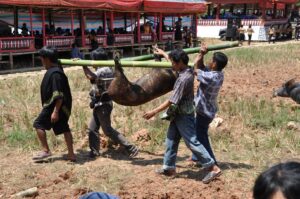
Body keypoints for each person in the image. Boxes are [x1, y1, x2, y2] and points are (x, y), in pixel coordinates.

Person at [143, 47, 221, 184]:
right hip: (178, 112)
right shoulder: (186, 70)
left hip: (184, 114)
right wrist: (163, 53)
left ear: (179, 63)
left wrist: (153, 112)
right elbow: (174, 61)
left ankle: (212, 167)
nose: (171, 65)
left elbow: (171, 100)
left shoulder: (183, 79)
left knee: (192, 141)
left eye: (173, 62)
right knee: (171, 139)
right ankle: (169, 168)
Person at [82, 48, 138, 158]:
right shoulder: (108, 68)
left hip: (103, 105)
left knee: (107, 130)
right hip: (100, 104)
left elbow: (90, 76)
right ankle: (94, 151)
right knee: (93, 129)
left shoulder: (103, 70)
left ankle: (130, 147)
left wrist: (83, 65)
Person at [33, 46, 76, 162]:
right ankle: (71, 154)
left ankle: (46, 150)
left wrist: (55, 112)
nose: (41, 61)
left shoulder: (55, 74)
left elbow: (59, 95)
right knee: (64, 128)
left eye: (42, 58)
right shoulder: (56, 70)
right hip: (57, 106)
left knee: (38, 124)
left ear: (47, 59)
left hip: (54, 106)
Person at [191, 44, 228, 166]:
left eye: (211, 60)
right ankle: (196, 157)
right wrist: (203, 55)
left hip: (204, 112)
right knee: (198, 133)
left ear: (215, 64)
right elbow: (201, 66)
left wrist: (200, 54)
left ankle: (212, 162)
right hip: (208, 111)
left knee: (201, 137)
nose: (209, 61)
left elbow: (195, 68)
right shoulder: (218, 74)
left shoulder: (211, 77)